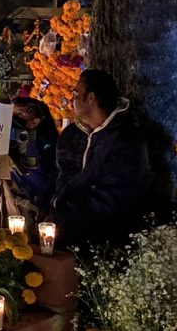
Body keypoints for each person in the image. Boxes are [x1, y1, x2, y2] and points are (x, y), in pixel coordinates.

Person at [50, 69, 149, 250]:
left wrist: (67, 212)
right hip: (66, 229)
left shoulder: (125, 139)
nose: (72, 99)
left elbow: (112, 197)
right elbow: (62, 177)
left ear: (91, 98)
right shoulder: (72, 135)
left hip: (106, 239)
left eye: (76, 94)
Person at [9, 97, 60, 209]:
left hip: (41, 199)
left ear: (34, 122)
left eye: (19, 115)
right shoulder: (23, 136)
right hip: (21, 197)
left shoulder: (38, 138)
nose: (13, 119)